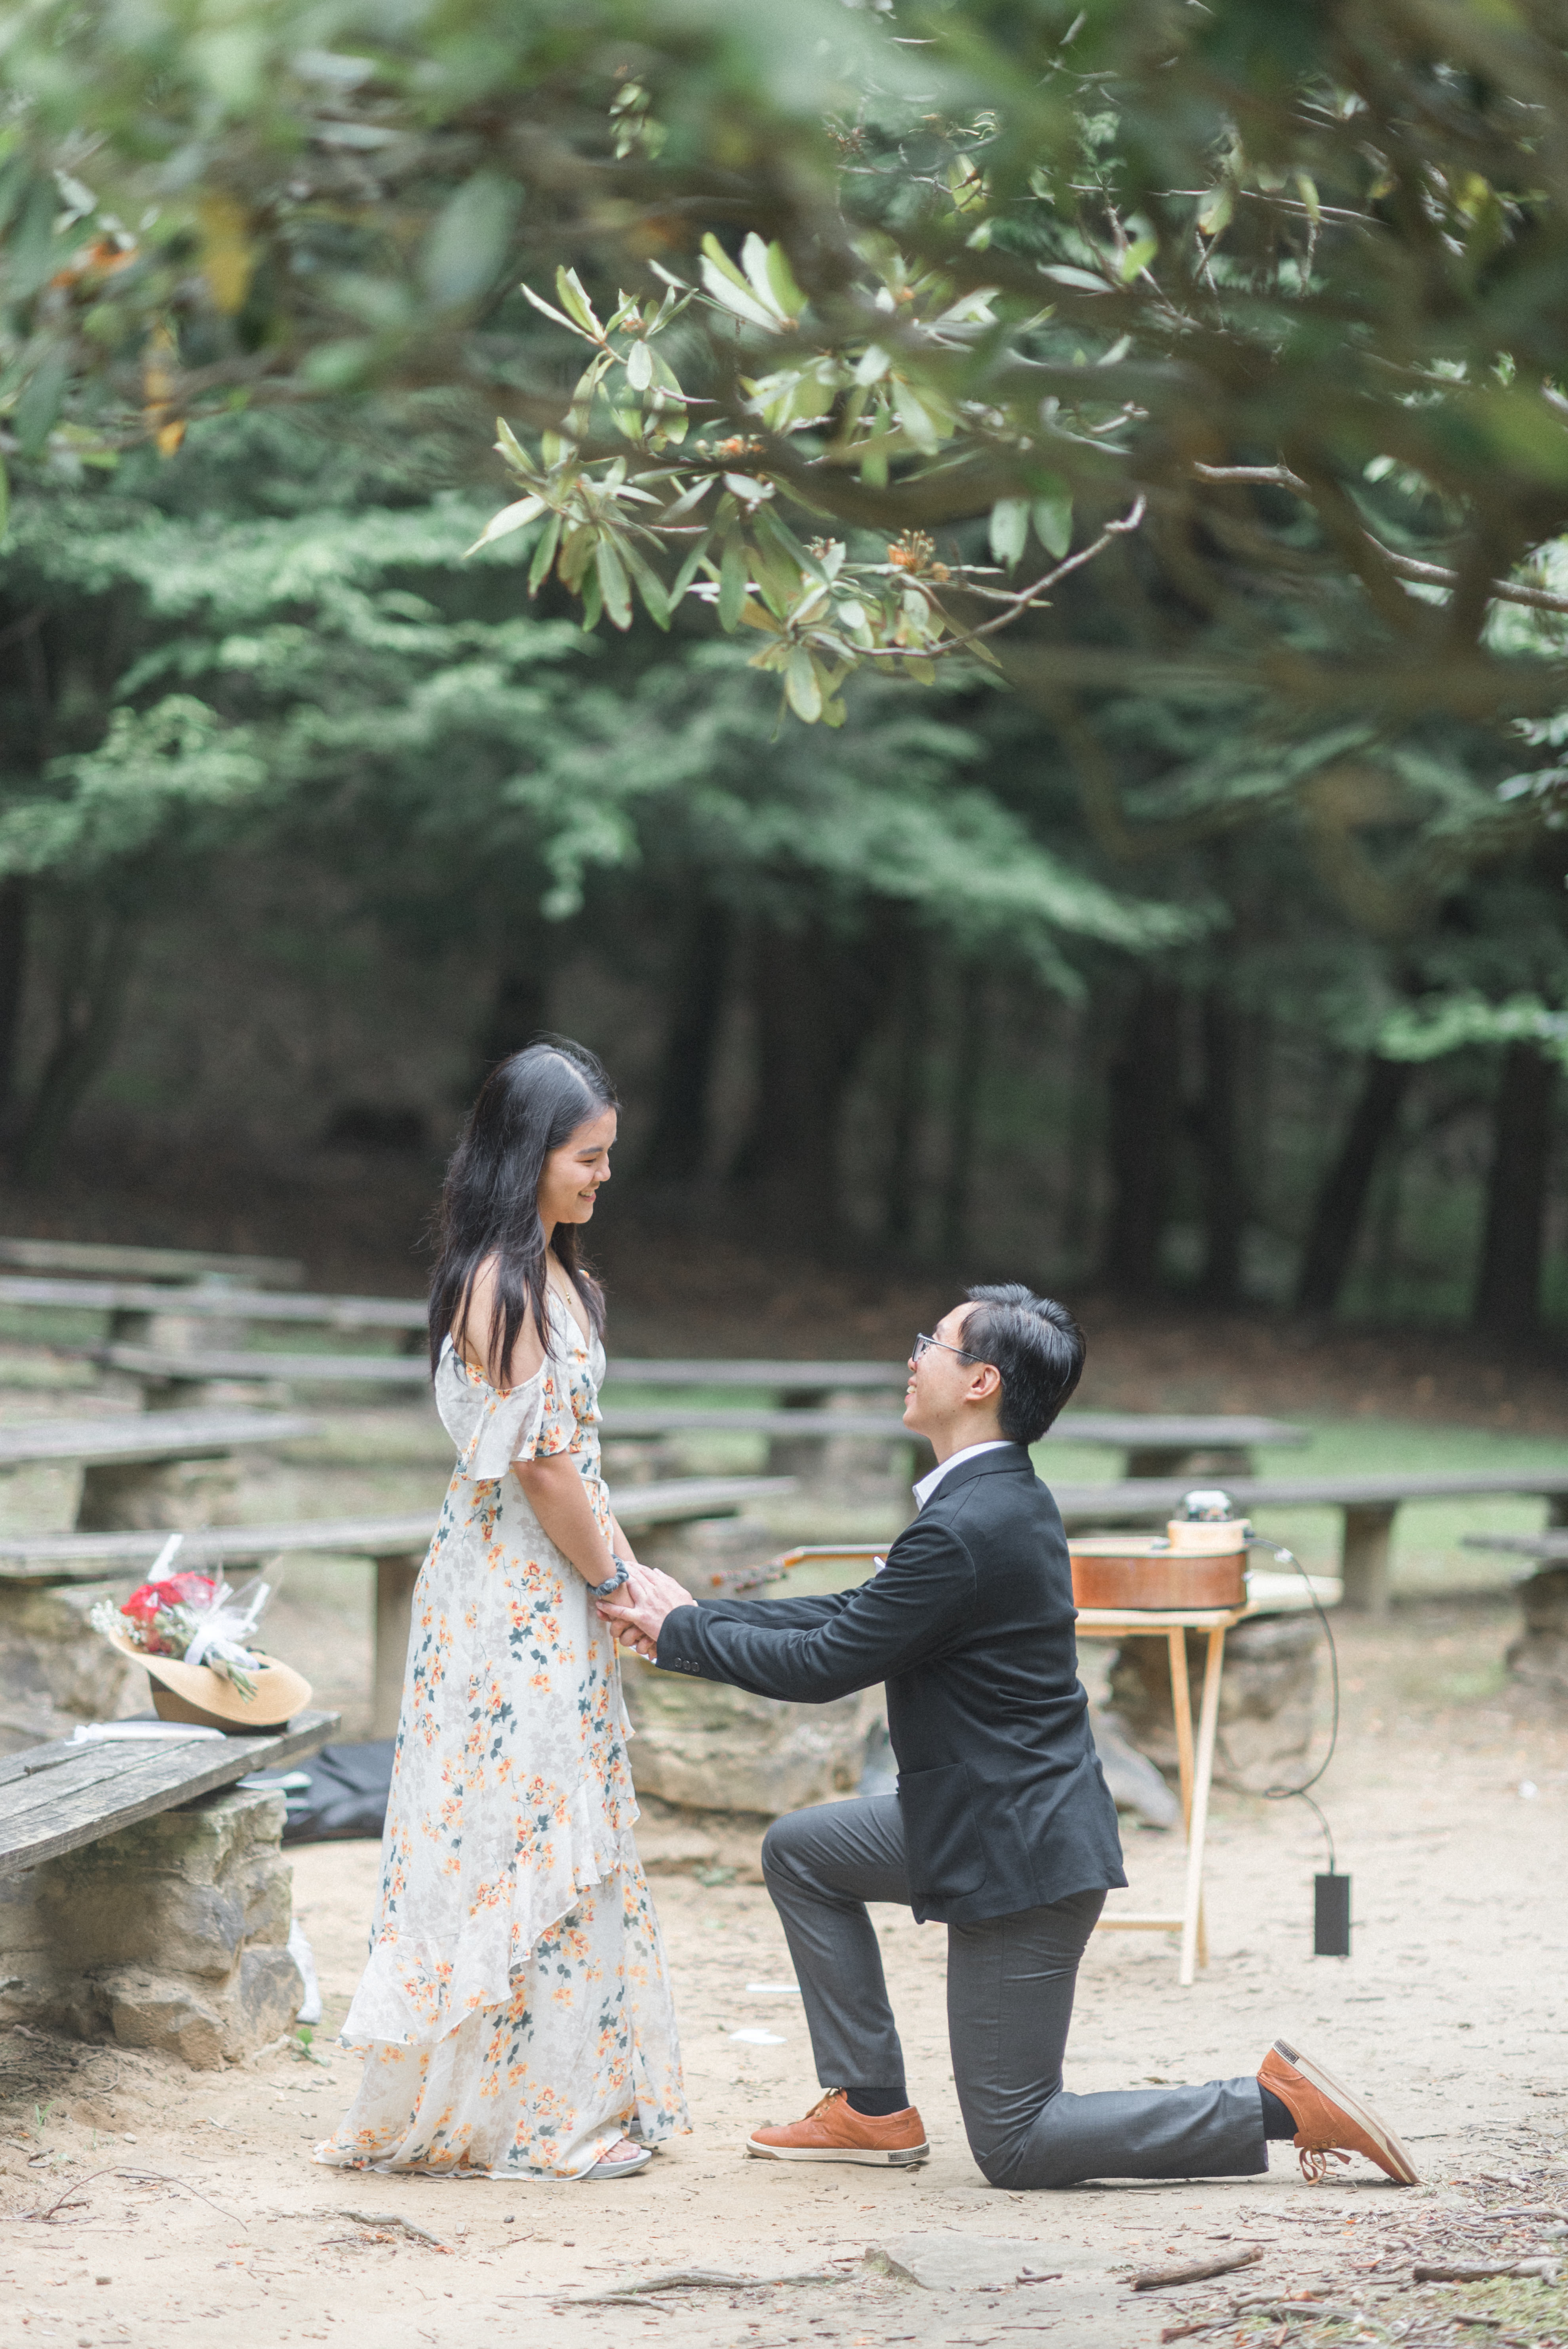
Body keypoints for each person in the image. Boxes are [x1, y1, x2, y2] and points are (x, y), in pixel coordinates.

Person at [601, 1284, 1416, 2192]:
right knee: (804, 1852)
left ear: (980, 1380)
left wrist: (681, 1633)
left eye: (932, 1342)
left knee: (1019, 2140)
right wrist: (695, 1617)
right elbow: (863, 1614)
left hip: (1019, 1856)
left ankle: (1274, 2105)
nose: (912, 1356)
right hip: (980, 1817)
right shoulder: (991, 1499)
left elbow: (828, 1663)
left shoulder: (968, 1523)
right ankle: (871, 2105)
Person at [316, 1040, 687, 2182]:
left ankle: (553, 2098)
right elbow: (539, 1467)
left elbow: (580, 1460)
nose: (605, 1175)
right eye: (589, 1156)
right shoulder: (501, 1283)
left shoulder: (564, 1276)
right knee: (520, 1825)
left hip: (557, 1575)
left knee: (560, 1819)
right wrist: (614, 1581)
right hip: (508, 1594)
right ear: (530, 1155)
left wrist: (631, 1574)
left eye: (608, 1154)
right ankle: (533, 2123)